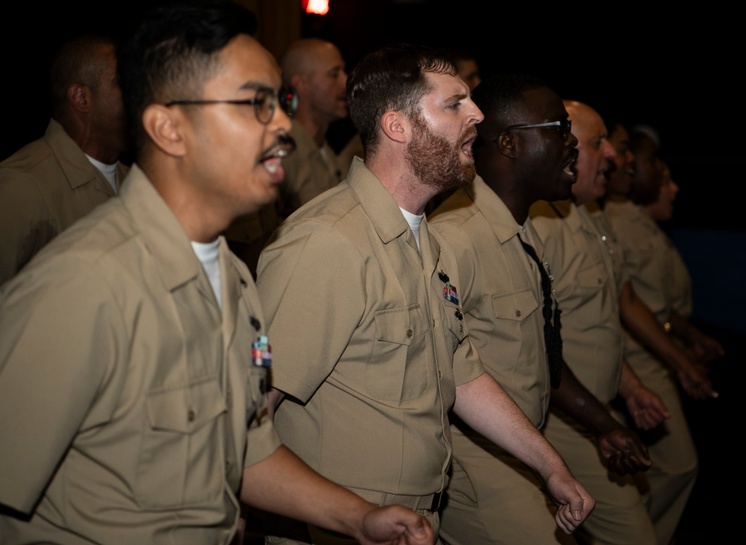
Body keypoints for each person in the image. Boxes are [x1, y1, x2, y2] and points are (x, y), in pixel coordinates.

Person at [0, 2, 436, 544]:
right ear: (169, 128)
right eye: (255, 102)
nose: (281, 124)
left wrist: (358, 518)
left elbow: (247, 450)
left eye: (279, 101)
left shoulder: (232, 278)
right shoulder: (83, 286)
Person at [254, 44, 594, 544]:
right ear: (398, 127)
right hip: (339, 528)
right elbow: (251, 410)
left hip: (411, 523)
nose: (477, 113)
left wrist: (550, 465)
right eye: (454, 104)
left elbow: (461, 369)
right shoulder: (327, 242)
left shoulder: (425, 240)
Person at [428, 73, 666, 545]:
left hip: (525, 452)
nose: (572, 145)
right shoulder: (454, 239)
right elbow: (441, 376)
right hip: (482, 465)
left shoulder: (522, 232)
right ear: (511, 144)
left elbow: (542, 356)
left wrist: (604, 426)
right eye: (559, 129)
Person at [528, 99, 699, 545]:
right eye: (598, 142)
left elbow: (597, 319)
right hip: (565, 417)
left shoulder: (587, 215)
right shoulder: (542, 225)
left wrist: (629, 386)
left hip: (596, 408)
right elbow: (538, 344)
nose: (612, 156)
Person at [602, 121, 725, 544]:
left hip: (646, 354)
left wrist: (685, 338)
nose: (634, 165)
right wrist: (682, 356)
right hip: (635, 356)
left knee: (657, 468)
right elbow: (628, 306)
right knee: (674, 464)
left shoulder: (620, 218)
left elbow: (651, 302)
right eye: (633, 156)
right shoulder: (608, 218)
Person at [0, 33, 129, 286]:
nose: (142, 96)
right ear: (81, 98)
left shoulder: (139, 184)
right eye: (125, 82)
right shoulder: (22, 187)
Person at [225, 37, 350, 274]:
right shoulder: (278, 157)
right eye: (334, 74)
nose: (346, 82)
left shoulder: (331, 154)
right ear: (301, 85)